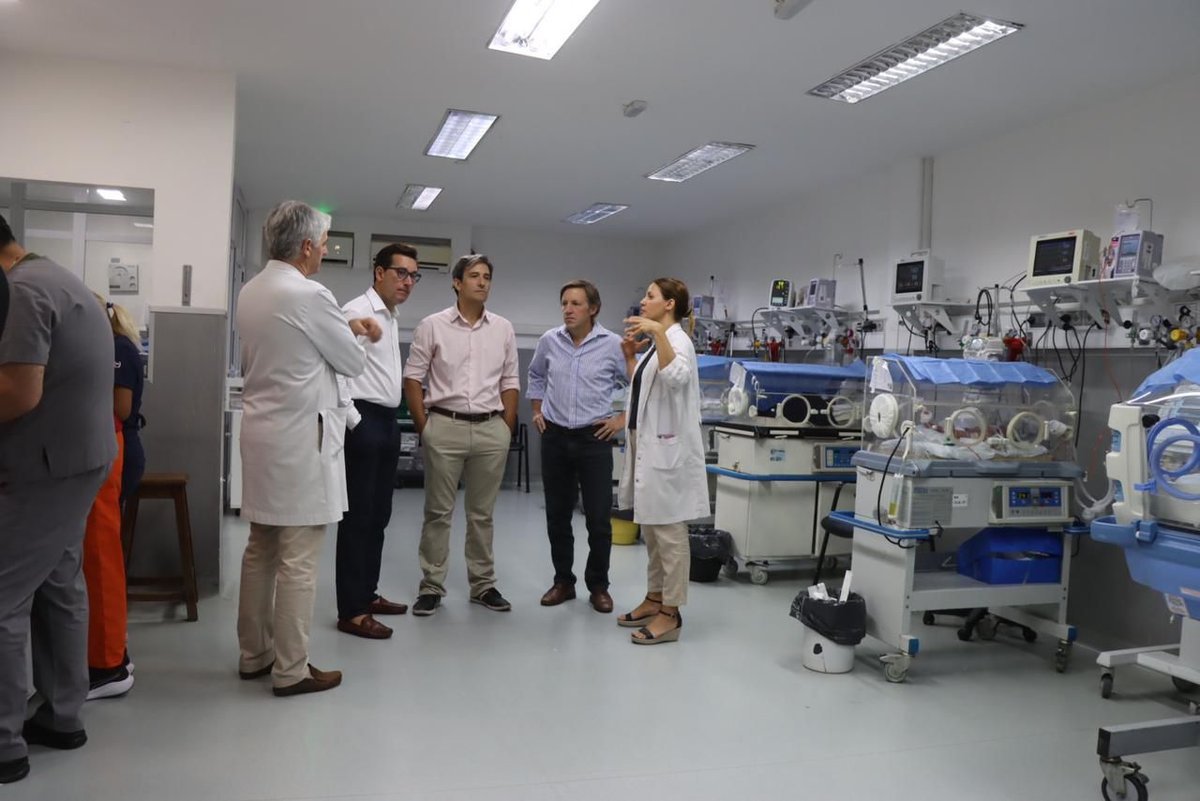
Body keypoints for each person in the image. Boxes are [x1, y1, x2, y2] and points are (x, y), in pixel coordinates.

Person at [235, 201, 381, 698]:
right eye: (322, 244)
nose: (324, 251)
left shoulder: (252, 290)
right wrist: (355, 335)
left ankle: (254, 655)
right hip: (302, 439)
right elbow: (347, 361)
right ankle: (291, 669)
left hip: (262, 435)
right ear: (304, 247)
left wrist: (344, 325)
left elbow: (296, 342)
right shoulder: (310, 293)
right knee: (298, 557)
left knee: (261, 549)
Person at [0, 213, 117, 784]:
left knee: (2, 592)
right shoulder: (61, 279)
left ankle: (3, 744)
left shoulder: (23, 291)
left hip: (46, 466)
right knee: (58, 583)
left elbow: (20, 391)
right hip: (81, 461)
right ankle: (64, 715)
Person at [403, 254, 519, 616]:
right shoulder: (432, 326)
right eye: (474, 276)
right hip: (445, 426)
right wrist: (428, 429)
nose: (482, 282)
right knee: (438, 512)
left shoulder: (503, 328)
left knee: (481, 514)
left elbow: (511, 381)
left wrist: (506, 426)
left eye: (487, 276)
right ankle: (432, 586)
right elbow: (413, 379)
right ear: (457, 282)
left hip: (491, 429)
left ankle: (482, 585)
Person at [615, 278, 709, 645]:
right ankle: (654, 598)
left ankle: (671, 613)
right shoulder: (659, 344)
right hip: (648, 447)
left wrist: (658, 332)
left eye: (650, 296)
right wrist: (629, 359)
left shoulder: (677, 341)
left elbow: (677, 378)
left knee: (669, 535)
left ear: (668, 304)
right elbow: (646, 388)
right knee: (652, 531)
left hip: (668, 452)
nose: (643, 300)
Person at [335, 243, 421, 640]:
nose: (407, 282)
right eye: (401, 273)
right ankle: (351, 611)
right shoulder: (357, 311)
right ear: (378, 272)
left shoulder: (390, 315)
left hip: (387, 421)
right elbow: (338, 372)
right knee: (358, 520)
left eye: (413, 276)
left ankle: (366, 594)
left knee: (379, 517)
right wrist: (355, 423)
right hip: (365, 423)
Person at [527, 280, 627, 613]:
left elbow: (636, 384)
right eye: (564, 303)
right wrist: (537, 410)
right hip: (555, 437)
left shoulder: (613, 344)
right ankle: (563, 582)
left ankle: (598, 585)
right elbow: (536, 375)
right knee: (557, 516)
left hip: (594, 439)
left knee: (598, 518)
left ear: (593, 309)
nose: (568, 309)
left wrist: (621, 419)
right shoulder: (549, 341)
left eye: (576, 304)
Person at [81, 298, 143, 701]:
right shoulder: (109, 346)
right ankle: (111, 650)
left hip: (116, 448)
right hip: (106, 449)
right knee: (100, 557)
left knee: (103, 556)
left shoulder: (119, 348)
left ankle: (108, 664)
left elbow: (120, 408)